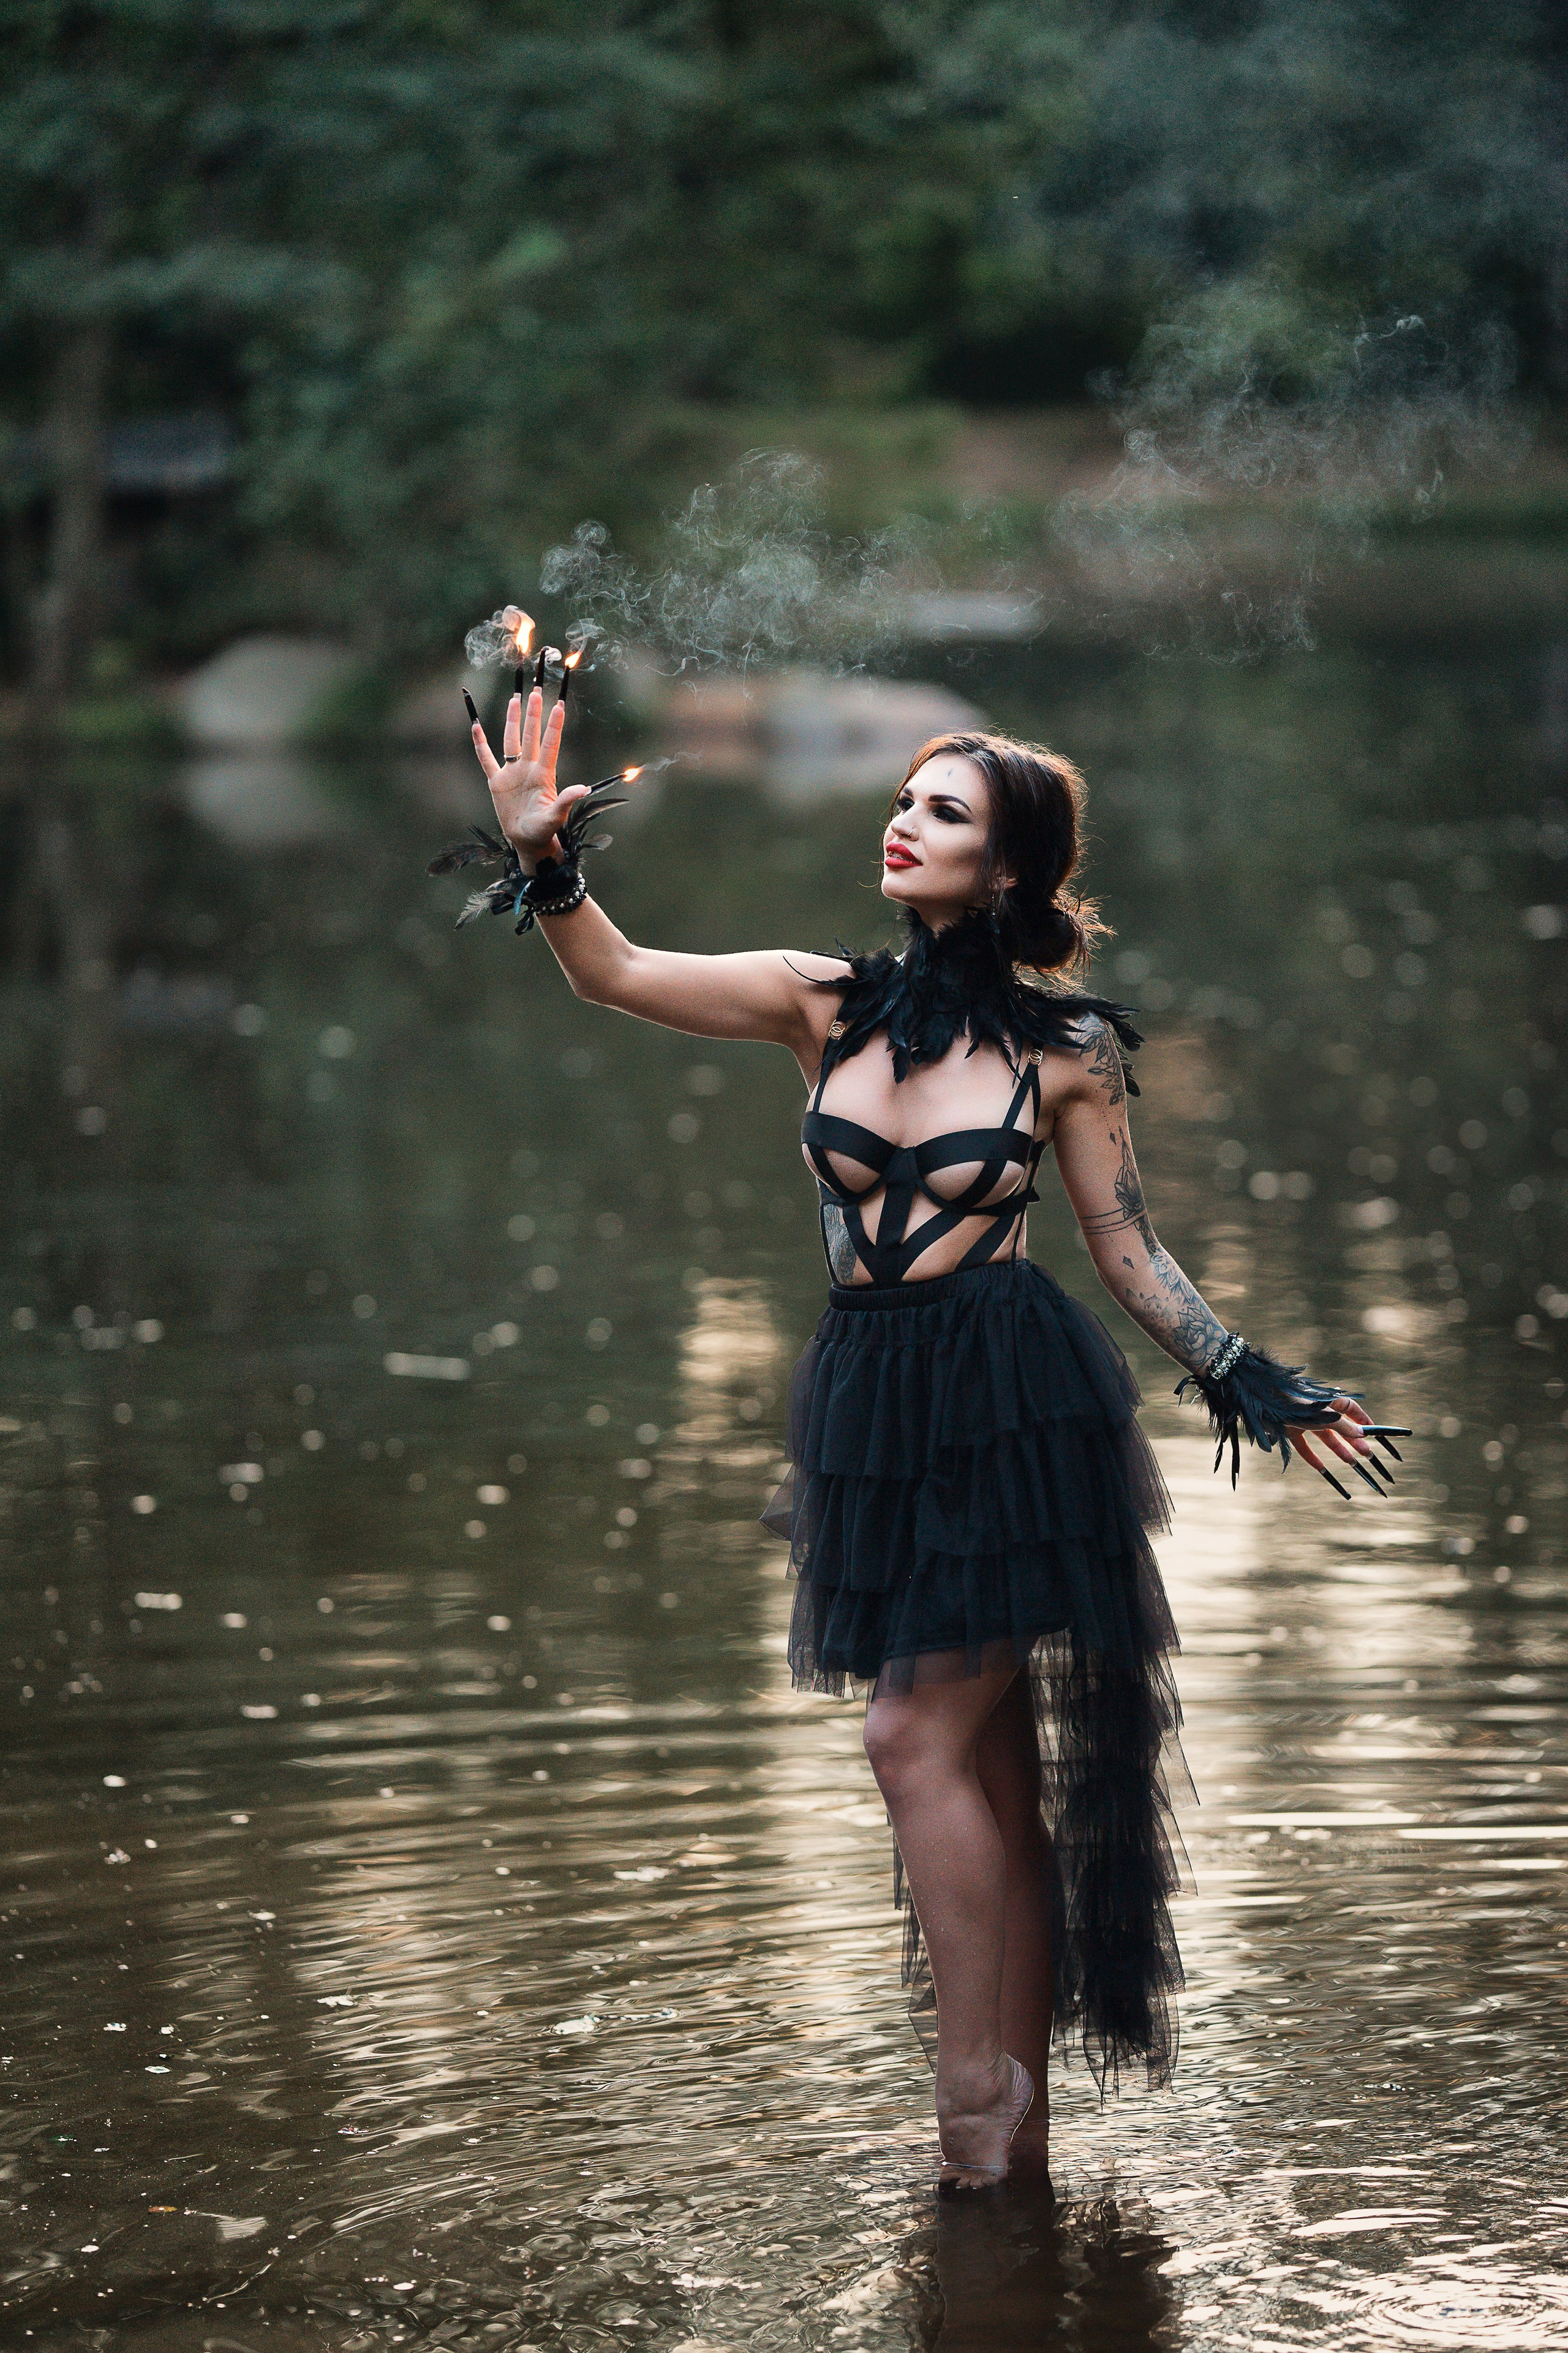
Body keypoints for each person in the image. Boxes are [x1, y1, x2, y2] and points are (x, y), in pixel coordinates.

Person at [439, 676, 1401, 2195]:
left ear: (1003, 867)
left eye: (940, 811)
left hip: (1009, 1403)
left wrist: (1247, 1377)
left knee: (906, 1736)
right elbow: (612, 974)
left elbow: (1126, 1250)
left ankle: (970, 2100)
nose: (902, 822)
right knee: (988, 1772)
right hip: (868, 1405)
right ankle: (1013, 2140)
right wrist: (544, 859)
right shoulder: (817, 999)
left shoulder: (1066, 1049)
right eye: (902, 798)